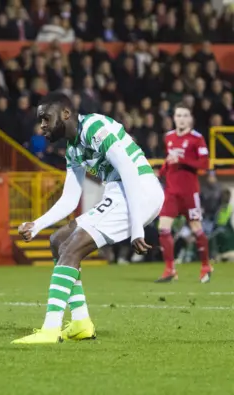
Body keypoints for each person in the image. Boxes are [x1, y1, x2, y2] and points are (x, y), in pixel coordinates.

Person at [13, 92, 164, 344]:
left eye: (46, 119)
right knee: (58, 241)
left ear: (66, 114)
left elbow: (128, 172)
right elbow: (70, 199)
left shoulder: (95, 127)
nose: (42, 126)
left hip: (139, 189)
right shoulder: (73, 149)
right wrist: (36, 225)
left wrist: (137, 228)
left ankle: (51, 329)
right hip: (120, 193)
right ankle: (82, 323)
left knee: (72, 247)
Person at [156, 104, 212, 283]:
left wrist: (182, 159)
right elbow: (169, 160)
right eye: (178, 115)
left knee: (197, 229)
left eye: (185, 115)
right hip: (171, 192)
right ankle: (170, 270)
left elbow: (204, 164)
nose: (181, 118)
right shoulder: (168, 137)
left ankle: (205, 266)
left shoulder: (197, 139)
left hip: (189, 193)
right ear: (174, 118)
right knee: (163, 228)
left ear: (190, 119)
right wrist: (162, 171)